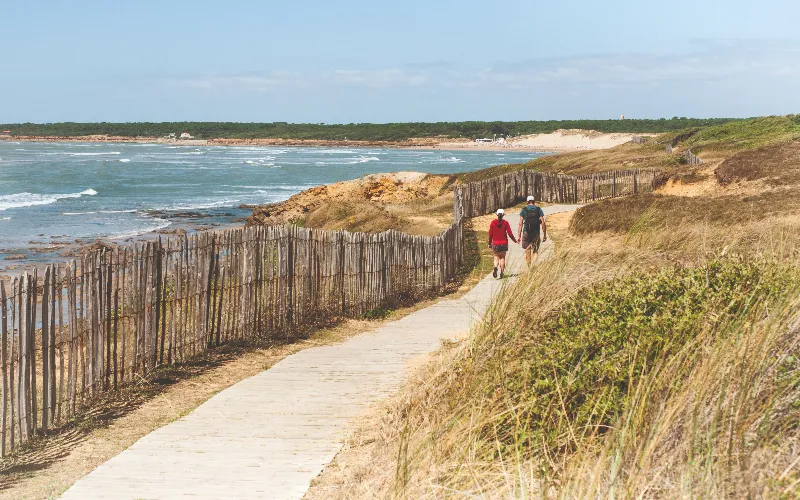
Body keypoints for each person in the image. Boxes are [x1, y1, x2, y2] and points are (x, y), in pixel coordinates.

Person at [488, 208, 517, 279]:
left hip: (496, 243)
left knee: (496, 257)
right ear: (503, 215)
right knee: (502, 257)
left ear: (497, 215)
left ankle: (495, 267)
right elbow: (510, 234)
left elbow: (490, 234)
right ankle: (501, 272)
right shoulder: (505, 223)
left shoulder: (493, 223)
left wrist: (489, 243)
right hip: (504, 243)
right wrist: (514, 240)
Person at [517, 196, 547, 265]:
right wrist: (544, 234)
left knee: (527, 249)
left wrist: (519, 236)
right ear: (534, 201)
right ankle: (534, 265)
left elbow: (520, 224)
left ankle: (529, 267)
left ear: (527, 202)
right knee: (535, 250)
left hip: (526, 232)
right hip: (536, 233)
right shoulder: (538, 209)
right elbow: (543, 223)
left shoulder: (524, 210)